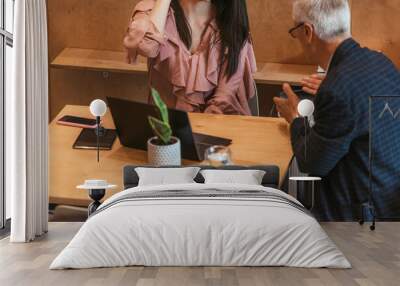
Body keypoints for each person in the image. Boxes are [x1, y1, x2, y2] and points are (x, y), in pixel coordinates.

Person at [274, 0, 400, 221]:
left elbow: (312, 162)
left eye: (295, 32)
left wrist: (295, 117)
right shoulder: (381, 62)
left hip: (360, 215)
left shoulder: (337, 90)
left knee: (277, 194)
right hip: (388, 194)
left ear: (307, 31)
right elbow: (358, 106)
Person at [123, 0, 257, 115]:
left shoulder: (232, 25)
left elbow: (223, 100)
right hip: (166, 135)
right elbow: (147, 47)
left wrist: (196, 134)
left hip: (215, 132)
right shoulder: (153, 11)